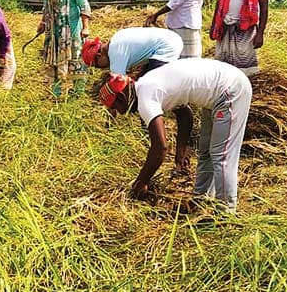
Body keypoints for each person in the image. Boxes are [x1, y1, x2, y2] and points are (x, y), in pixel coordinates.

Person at [98, 58, 252, 213]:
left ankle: (226, 212)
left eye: (115, 107)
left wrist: (141, 182)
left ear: (122, 98)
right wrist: (181, 149)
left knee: (222, 155)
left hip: (229, 90)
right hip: (215, 93)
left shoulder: (145, 97)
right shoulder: (147, 83)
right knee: (206, 152)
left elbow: (160, 148)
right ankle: (201, 200)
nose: (119, 112)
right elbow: (184, 114)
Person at [36, 0, 92, 97]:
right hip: (53, 31)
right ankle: (56, 92)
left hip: (71, 30)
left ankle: (77, 91)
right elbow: (45, 6)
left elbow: (84, 6)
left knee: (75, 58)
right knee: (53, 60)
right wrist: (42, 22)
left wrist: (85, 27)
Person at [81, 27, 183, 78]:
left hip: (166, 47)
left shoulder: (115, 54)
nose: (100, 68)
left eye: (96, 65)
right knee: (143, 79)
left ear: (99, 56)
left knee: (152, 85)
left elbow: (119, 85)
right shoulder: (116, 39)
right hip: (170, 37)